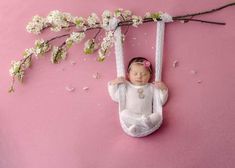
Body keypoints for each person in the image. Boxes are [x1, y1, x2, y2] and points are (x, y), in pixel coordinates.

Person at [108, 57, 168, 134]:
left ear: (150, 75)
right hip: (131, 117)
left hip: (147, 117)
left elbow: (160, 102)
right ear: (128, 75)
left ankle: (139, 124)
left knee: (157, 116)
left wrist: (163, 89)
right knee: (123, 113)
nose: (139, 76)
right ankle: (141, 122)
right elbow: (115, 97)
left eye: (144, 74)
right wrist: (113, 84)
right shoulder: (126, 86)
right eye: (135, 74)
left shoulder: (151, 87)